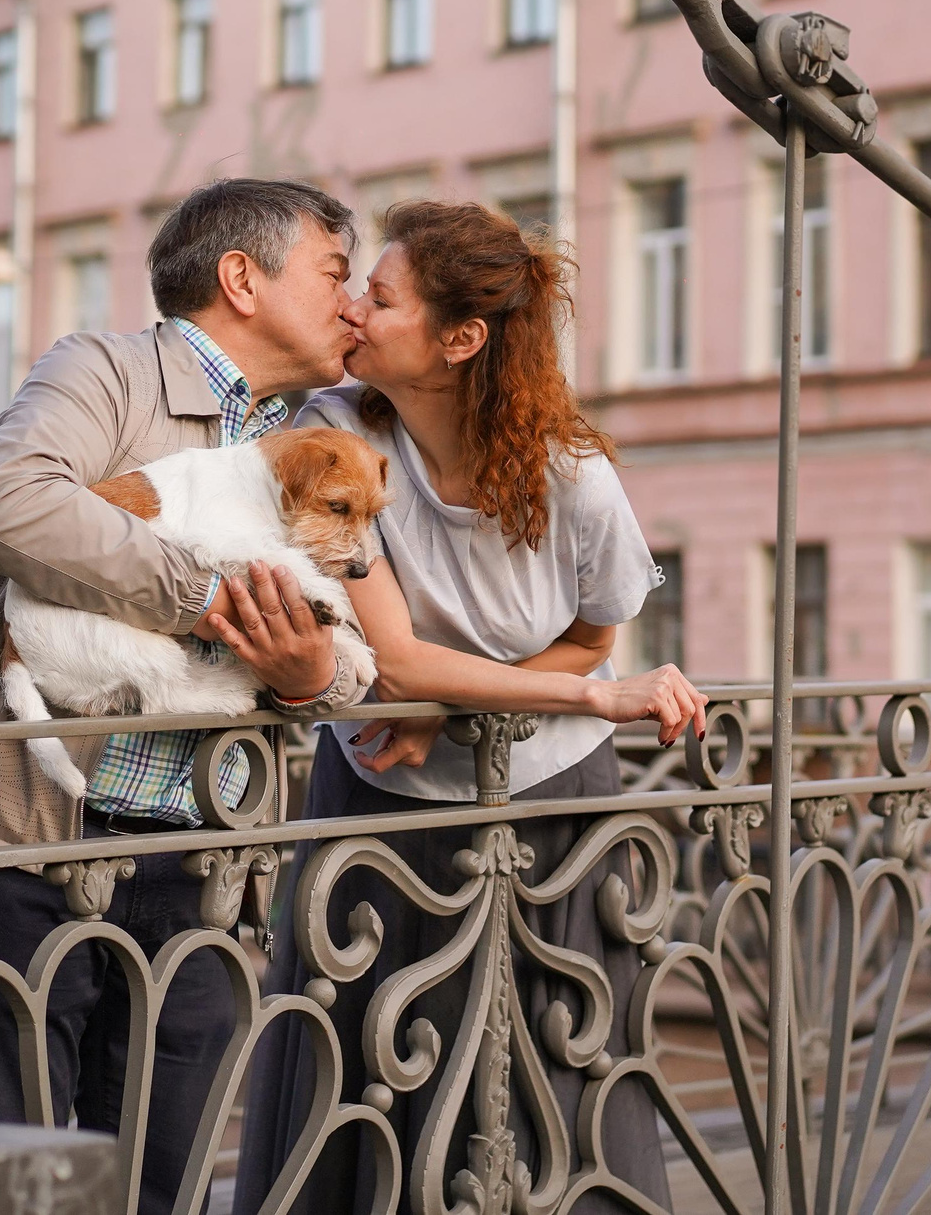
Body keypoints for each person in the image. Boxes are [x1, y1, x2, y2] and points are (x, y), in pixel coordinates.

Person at [0, 178, 377, 1215]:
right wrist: (208, 598)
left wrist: (312, 676)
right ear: (242, 279)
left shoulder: (320, 439)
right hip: (29, 842)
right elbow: (7, 503)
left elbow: (356, 652)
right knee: (9, 1187)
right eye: (335, 273)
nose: (352, 304)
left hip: (200, 861)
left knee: (158, 1188)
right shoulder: (102, 370)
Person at [235, 200, 703, 1215]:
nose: (352, 307)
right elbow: (396, 664)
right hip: (375, 798)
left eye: (381, 294)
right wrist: (560, 697)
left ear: (460, 340)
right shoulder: (334, 438)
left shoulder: (571, 477)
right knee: (357, 1066)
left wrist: (456, 714)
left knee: (553, 1068)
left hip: (550, 804)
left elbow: (595, 634)